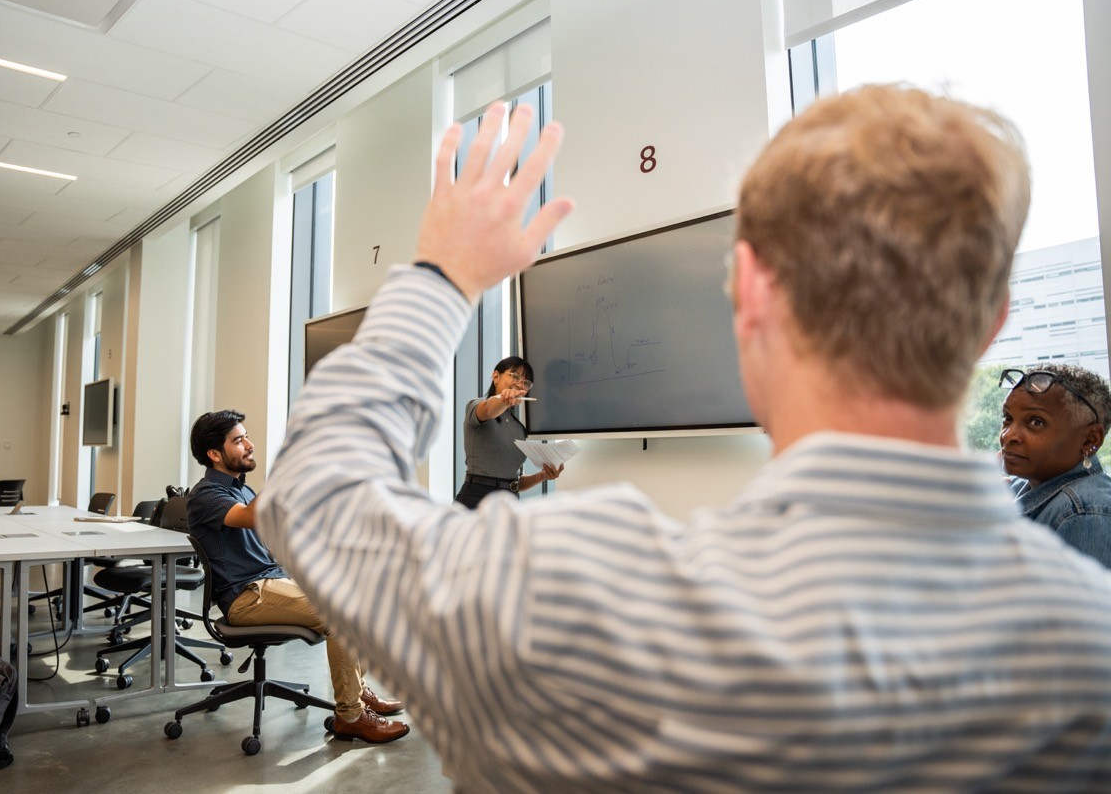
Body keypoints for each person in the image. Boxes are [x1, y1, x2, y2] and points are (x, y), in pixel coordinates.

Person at [257, 88, 1111, 789]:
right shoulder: (1089, 646)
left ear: (745, 293)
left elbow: (309, 494)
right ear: (990, 324)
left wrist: (441, 278)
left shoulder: (554, 597)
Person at [184, 409, 408, 744]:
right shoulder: (206, 495)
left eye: (246, 436)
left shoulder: (241, 490)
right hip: (246, 597)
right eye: (238, 440)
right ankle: (351, 716)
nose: (249, 444)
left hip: (270, 583)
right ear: (215, 454)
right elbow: (250, 518)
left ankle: (358, 695)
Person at [1000, 363, 1111, 566]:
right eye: (1007, 418)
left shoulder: (1083, 514)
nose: (1008, 435)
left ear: (1090, 440)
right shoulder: (1019, 485)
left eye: (1036, 422)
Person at [455, 355, 563, 508]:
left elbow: (514, 483)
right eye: (515, 376)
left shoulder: (518, 428)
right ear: (496, 376)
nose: (520, 385)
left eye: (525, 382)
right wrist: (502, 400)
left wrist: (542, 476)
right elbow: (488, 410)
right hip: (475, 499)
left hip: (508, 503)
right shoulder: (477, 405)